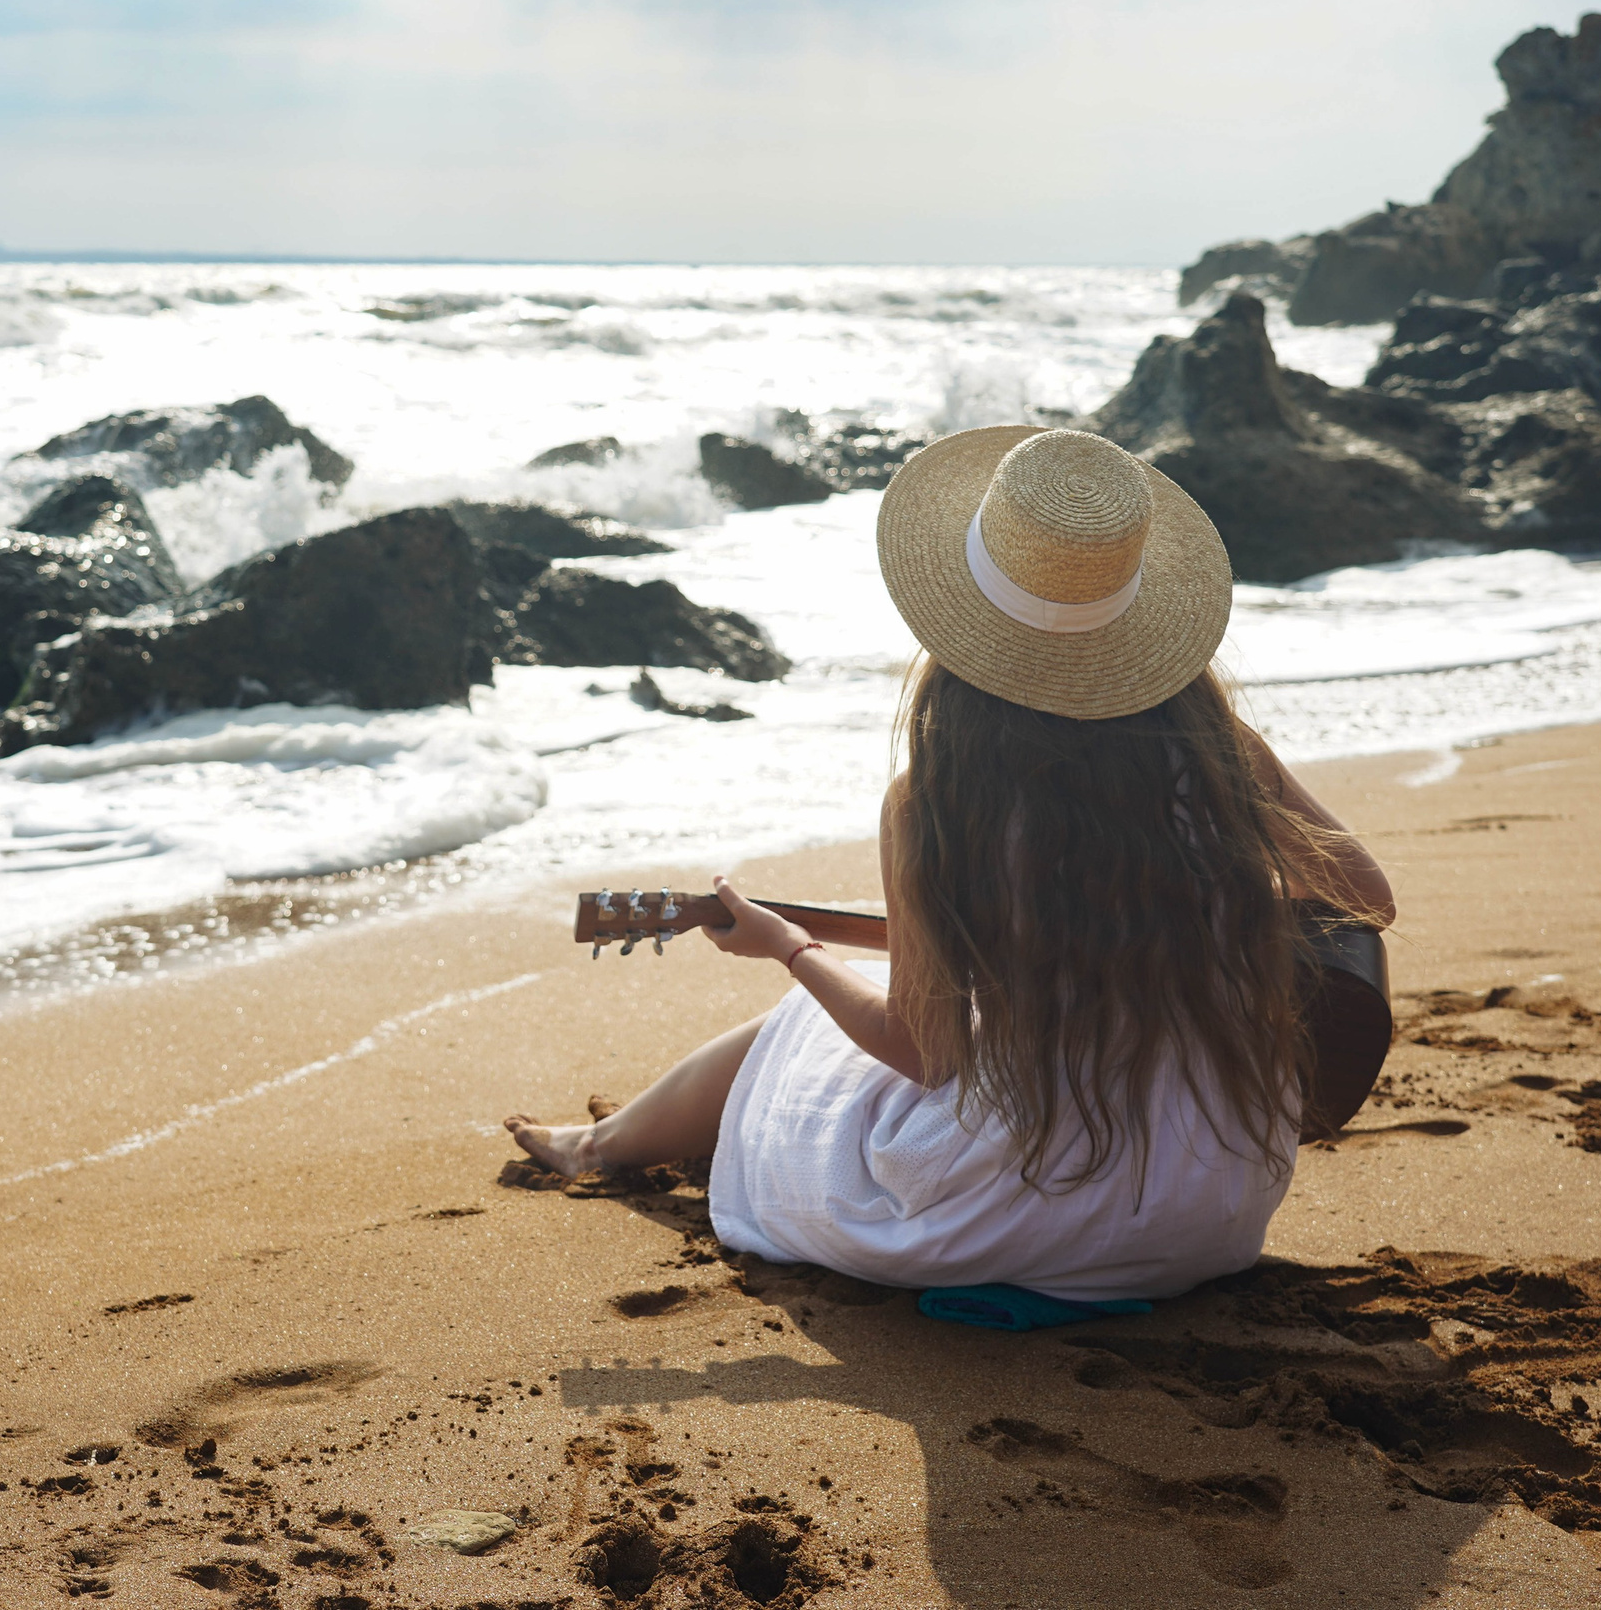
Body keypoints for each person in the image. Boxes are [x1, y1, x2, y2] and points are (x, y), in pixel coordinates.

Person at [505, 425, 1394, 1302]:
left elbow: (924, 1054)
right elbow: (1368, 897)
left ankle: (599, 1147)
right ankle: (605, 1140)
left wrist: (790, 949)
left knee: (796, 1032)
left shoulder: (935, 800)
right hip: (1212, 1202)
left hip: (1013, 1213)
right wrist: (1205, 914)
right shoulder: (1216, 750)